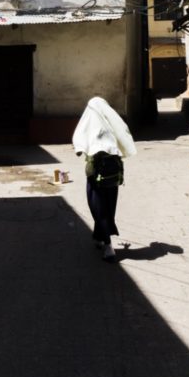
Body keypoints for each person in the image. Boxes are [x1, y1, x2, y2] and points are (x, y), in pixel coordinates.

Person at [72, 96, 136, 262]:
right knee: (108, 206)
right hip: (113, 175)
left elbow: (79, 139)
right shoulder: (110, 123)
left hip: (96, 174)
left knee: (97, 206)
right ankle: (99, 237)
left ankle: (108, 246)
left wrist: (81, 148)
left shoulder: (89, 119)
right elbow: (123, 132)